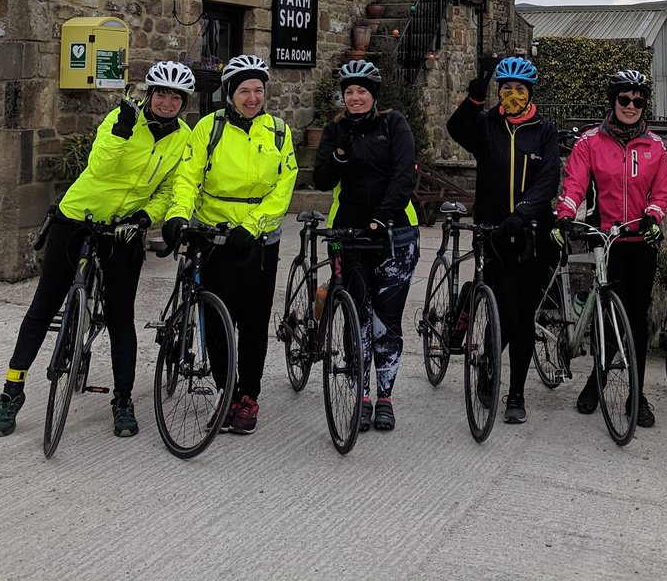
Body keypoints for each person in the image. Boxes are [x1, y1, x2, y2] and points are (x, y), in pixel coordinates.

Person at [0, 60, 196, 439]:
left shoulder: (184, 138)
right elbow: (97, 168)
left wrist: (146, 217)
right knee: (44, 305)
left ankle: (122, 400)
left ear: (184, 102)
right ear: (150, 94)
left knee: (120, 316)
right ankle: (12, 390)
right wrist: (120, 133)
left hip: (124, 229)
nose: (167, 102)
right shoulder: (123, 118)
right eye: (161, 93)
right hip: (79, 216)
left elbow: (171, 189)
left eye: (176, 96)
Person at [161, 54, 297, 436]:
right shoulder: (209, 127)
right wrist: (177, 215)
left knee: (253, 323)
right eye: (244, 91)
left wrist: (252, 226)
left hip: (258, 242)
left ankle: (248, 397)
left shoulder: (279, 132)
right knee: (218, 321)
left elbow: (283, 187)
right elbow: (188, 177)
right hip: (214, 237)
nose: (252, 97)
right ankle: (226, 390)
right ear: (229, 94)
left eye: (258, 90)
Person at [556, 68, 667, 429]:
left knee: (636, 321)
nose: (631, 105)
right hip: (605, 241)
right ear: (613, 101)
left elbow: (663, 191)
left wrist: (653, 215)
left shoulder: (655, 146)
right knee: (607, 318)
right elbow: (574, 184)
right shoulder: (590, 142)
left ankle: (635, 395)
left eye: (638, 101)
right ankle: (599, 378)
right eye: (624, 99)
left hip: (640, 240)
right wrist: (565, 214)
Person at [447, 55, 560, 425]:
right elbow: (456, 128)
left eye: (519, 90)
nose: (512, 95)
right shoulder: (488, 125)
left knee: (522, 318)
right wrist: (474, 100)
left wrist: (523, 213)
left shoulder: (543, 130)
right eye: (506, 89)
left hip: (529, 236)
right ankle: (489, 365)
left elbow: (548, 180)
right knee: (502, 310)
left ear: (530, 94)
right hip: (492, 235)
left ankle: (515, 393)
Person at [313, 58, 421, 432]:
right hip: (348, 233)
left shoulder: (394, 125)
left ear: (374, 95)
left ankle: (385, 396)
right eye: (349, 92)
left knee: (386, 321)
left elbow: (403, 175)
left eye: (362, 91)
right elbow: (323, 180)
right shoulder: (334, 129)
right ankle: (359, 394)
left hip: (394, 233)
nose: (355, 97)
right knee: (356, 315)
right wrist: (340, 154)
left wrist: (382, 218)